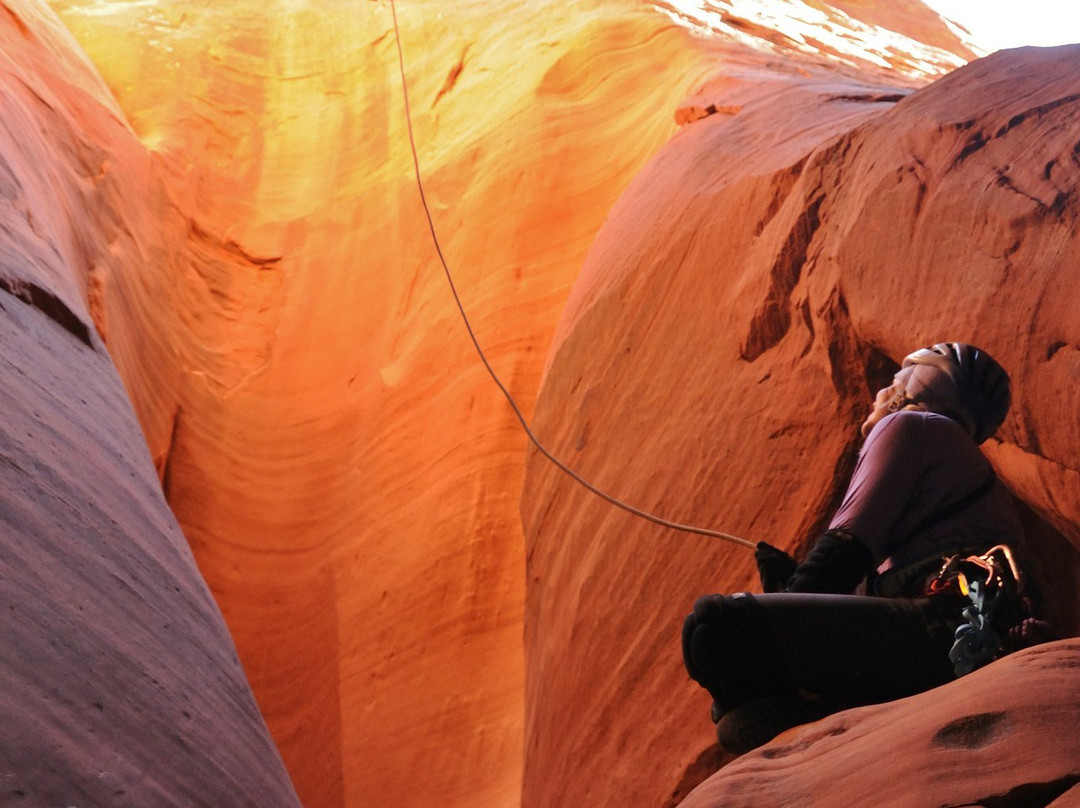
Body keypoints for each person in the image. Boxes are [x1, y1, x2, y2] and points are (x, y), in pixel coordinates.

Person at [681, 342, 1051, 755]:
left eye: (891, 382)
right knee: (732, 652)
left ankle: (808, 713)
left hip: (939, 630)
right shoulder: (960, 461)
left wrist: (786, 597)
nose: (879, 393)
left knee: (713, 625)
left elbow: (848, 546)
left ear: (914, 386)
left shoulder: (914, 426)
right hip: (953, 631)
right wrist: (788, 587)